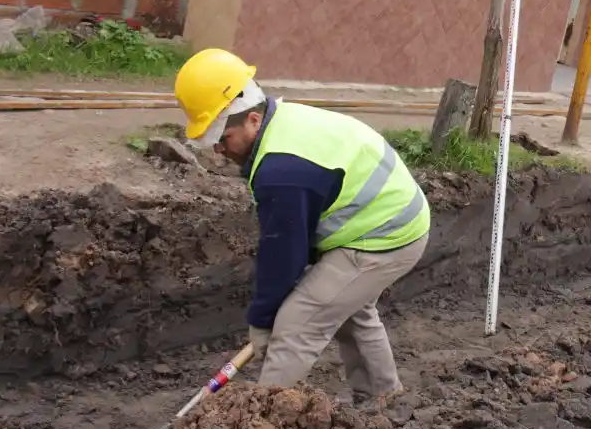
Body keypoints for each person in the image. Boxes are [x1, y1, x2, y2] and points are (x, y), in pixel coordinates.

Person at [173, 48, 430, 405]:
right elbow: (291, 241)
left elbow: (284, 255)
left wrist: (264, 323)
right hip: (387, 216)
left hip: (385, 233)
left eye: (222, 137)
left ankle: (258, 424)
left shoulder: (282, 169)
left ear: (250, 119)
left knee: (297, 325)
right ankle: (384, 404)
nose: (218, 149)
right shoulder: (279, 123)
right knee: (346, 306)